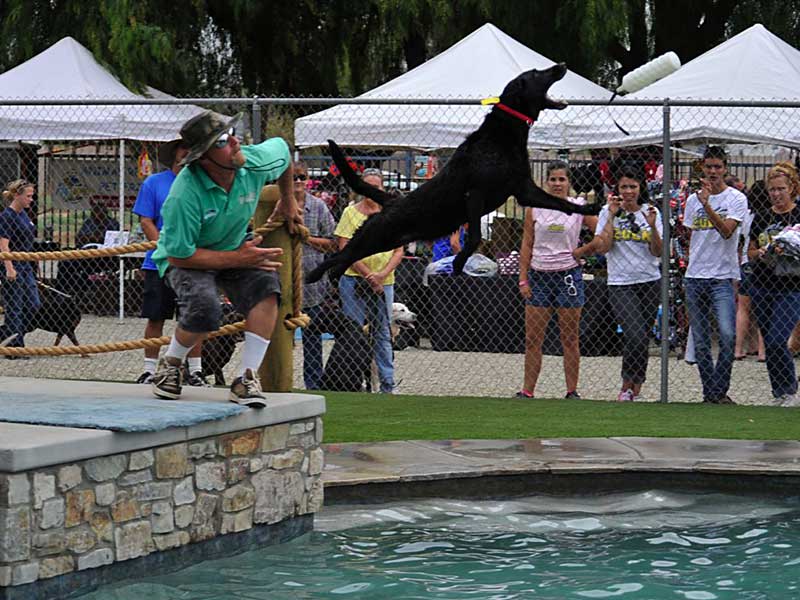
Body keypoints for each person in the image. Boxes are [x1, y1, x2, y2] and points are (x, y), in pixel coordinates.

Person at [148, 110, 299, 406]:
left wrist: (289, 198)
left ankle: (246, 378)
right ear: (203, 157)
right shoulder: (183, 194)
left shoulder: (251, 162)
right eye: (222, 141)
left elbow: (282, 150)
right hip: (189, 257)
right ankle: (171, 366)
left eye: (231, 134)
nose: (234, 143)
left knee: (267, 291)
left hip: (234, 248)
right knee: (204, 308)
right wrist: (239, 258)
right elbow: (180, 257)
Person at [574, 165, 662, 402]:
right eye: (624, 186)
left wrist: (652, 226)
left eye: (633, 186)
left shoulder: (651, 212)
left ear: (640, 187)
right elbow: (603, 247)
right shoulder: (607, 211)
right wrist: (612, 216)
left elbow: (658, 251)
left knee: (642, 335)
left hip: (649, 280)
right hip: (621, 282)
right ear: (617, 189)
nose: (629, 191)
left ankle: (636, 387)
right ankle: (626, 385)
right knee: (634, 333)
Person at [517, 161, 598, 399]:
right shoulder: (535, 208)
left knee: (570, 337)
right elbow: (527, 244)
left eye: (562, 180)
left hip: (567, 275)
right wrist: (523, 278)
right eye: (553, 179)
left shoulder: (578, 207)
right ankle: (527, 390)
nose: (557, 184)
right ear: (546, 182)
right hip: (539, 275)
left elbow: (601, 234)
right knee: (533, 338)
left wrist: (583, 252)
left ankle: (571, 390)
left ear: (569, 183)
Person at [132, 138, 208, 386]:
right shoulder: (154, 182)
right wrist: (164, 250)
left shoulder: (201, 184)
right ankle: (149, 369)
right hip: (159, 263)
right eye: (183, 147)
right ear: (175, 152)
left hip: (193, 262)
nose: (187, 151)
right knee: (156, 317)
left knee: (194, 317)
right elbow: (146, 220)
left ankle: (195, 371)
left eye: (191, 147)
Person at [683, 146, 748, 404]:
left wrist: (707, 205)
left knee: (727, 334)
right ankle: (711, 393)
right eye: (708, 167)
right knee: (700, 340)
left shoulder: (736, 199)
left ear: (725, 168)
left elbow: (727, 231)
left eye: (717, 167)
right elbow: (690, 235)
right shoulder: (691, 201)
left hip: (722, 276)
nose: (712, 172)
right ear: (702, 167)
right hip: (695, 275)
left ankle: (719, 388)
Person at [335, 168, 403, 394]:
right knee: (352, 330)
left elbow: (398, 250)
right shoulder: (350, 213)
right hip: (354, 279)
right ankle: (351, 381)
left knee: (382, 331)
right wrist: (368, 274)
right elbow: (345, 246)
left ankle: (387, 384)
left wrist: (382, 275)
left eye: (377, 186)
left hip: (385, 280)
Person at [746, 163, 800, 407]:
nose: (776, 195)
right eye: (772, 190)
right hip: (762, 283)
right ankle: (778, 391)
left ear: (792, 188)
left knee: (779, 338)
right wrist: (763, 253)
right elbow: (750, 251)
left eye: (781, 189)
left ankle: (789, 388)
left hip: (790, 285)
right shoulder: (762, 216)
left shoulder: (798, 215)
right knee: (769, 341)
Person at [294, 160, 336, 390]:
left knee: (312, 339)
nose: (298, 182)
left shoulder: (318, 206)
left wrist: (306, 238)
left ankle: (314, 384)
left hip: (311, 282)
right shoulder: (277, 205)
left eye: (302, 177)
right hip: (282, 282)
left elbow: (332, 243)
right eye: (293, 178)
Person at [0, 179, 40, 357]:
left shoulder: (24, 214)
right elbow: (4, 245)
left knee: (33, 304)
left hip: (26, 265)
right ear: (17, 195)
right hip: (13, 265)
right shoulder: (7, 217)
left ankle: (7, 334)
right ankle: (15, 346)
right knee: (14, 306)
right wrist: (9, 268)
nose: (31, 200)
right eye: (28, 196)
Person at [734, 180, 767, 362]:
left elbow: (741, 239)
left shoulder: (746, 215)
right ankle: (762, 351)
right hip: (762, 265)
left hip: (746, 263)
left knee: (743, 308)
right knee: (763, 308)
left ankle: (739, 348)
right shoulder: (768, 216)